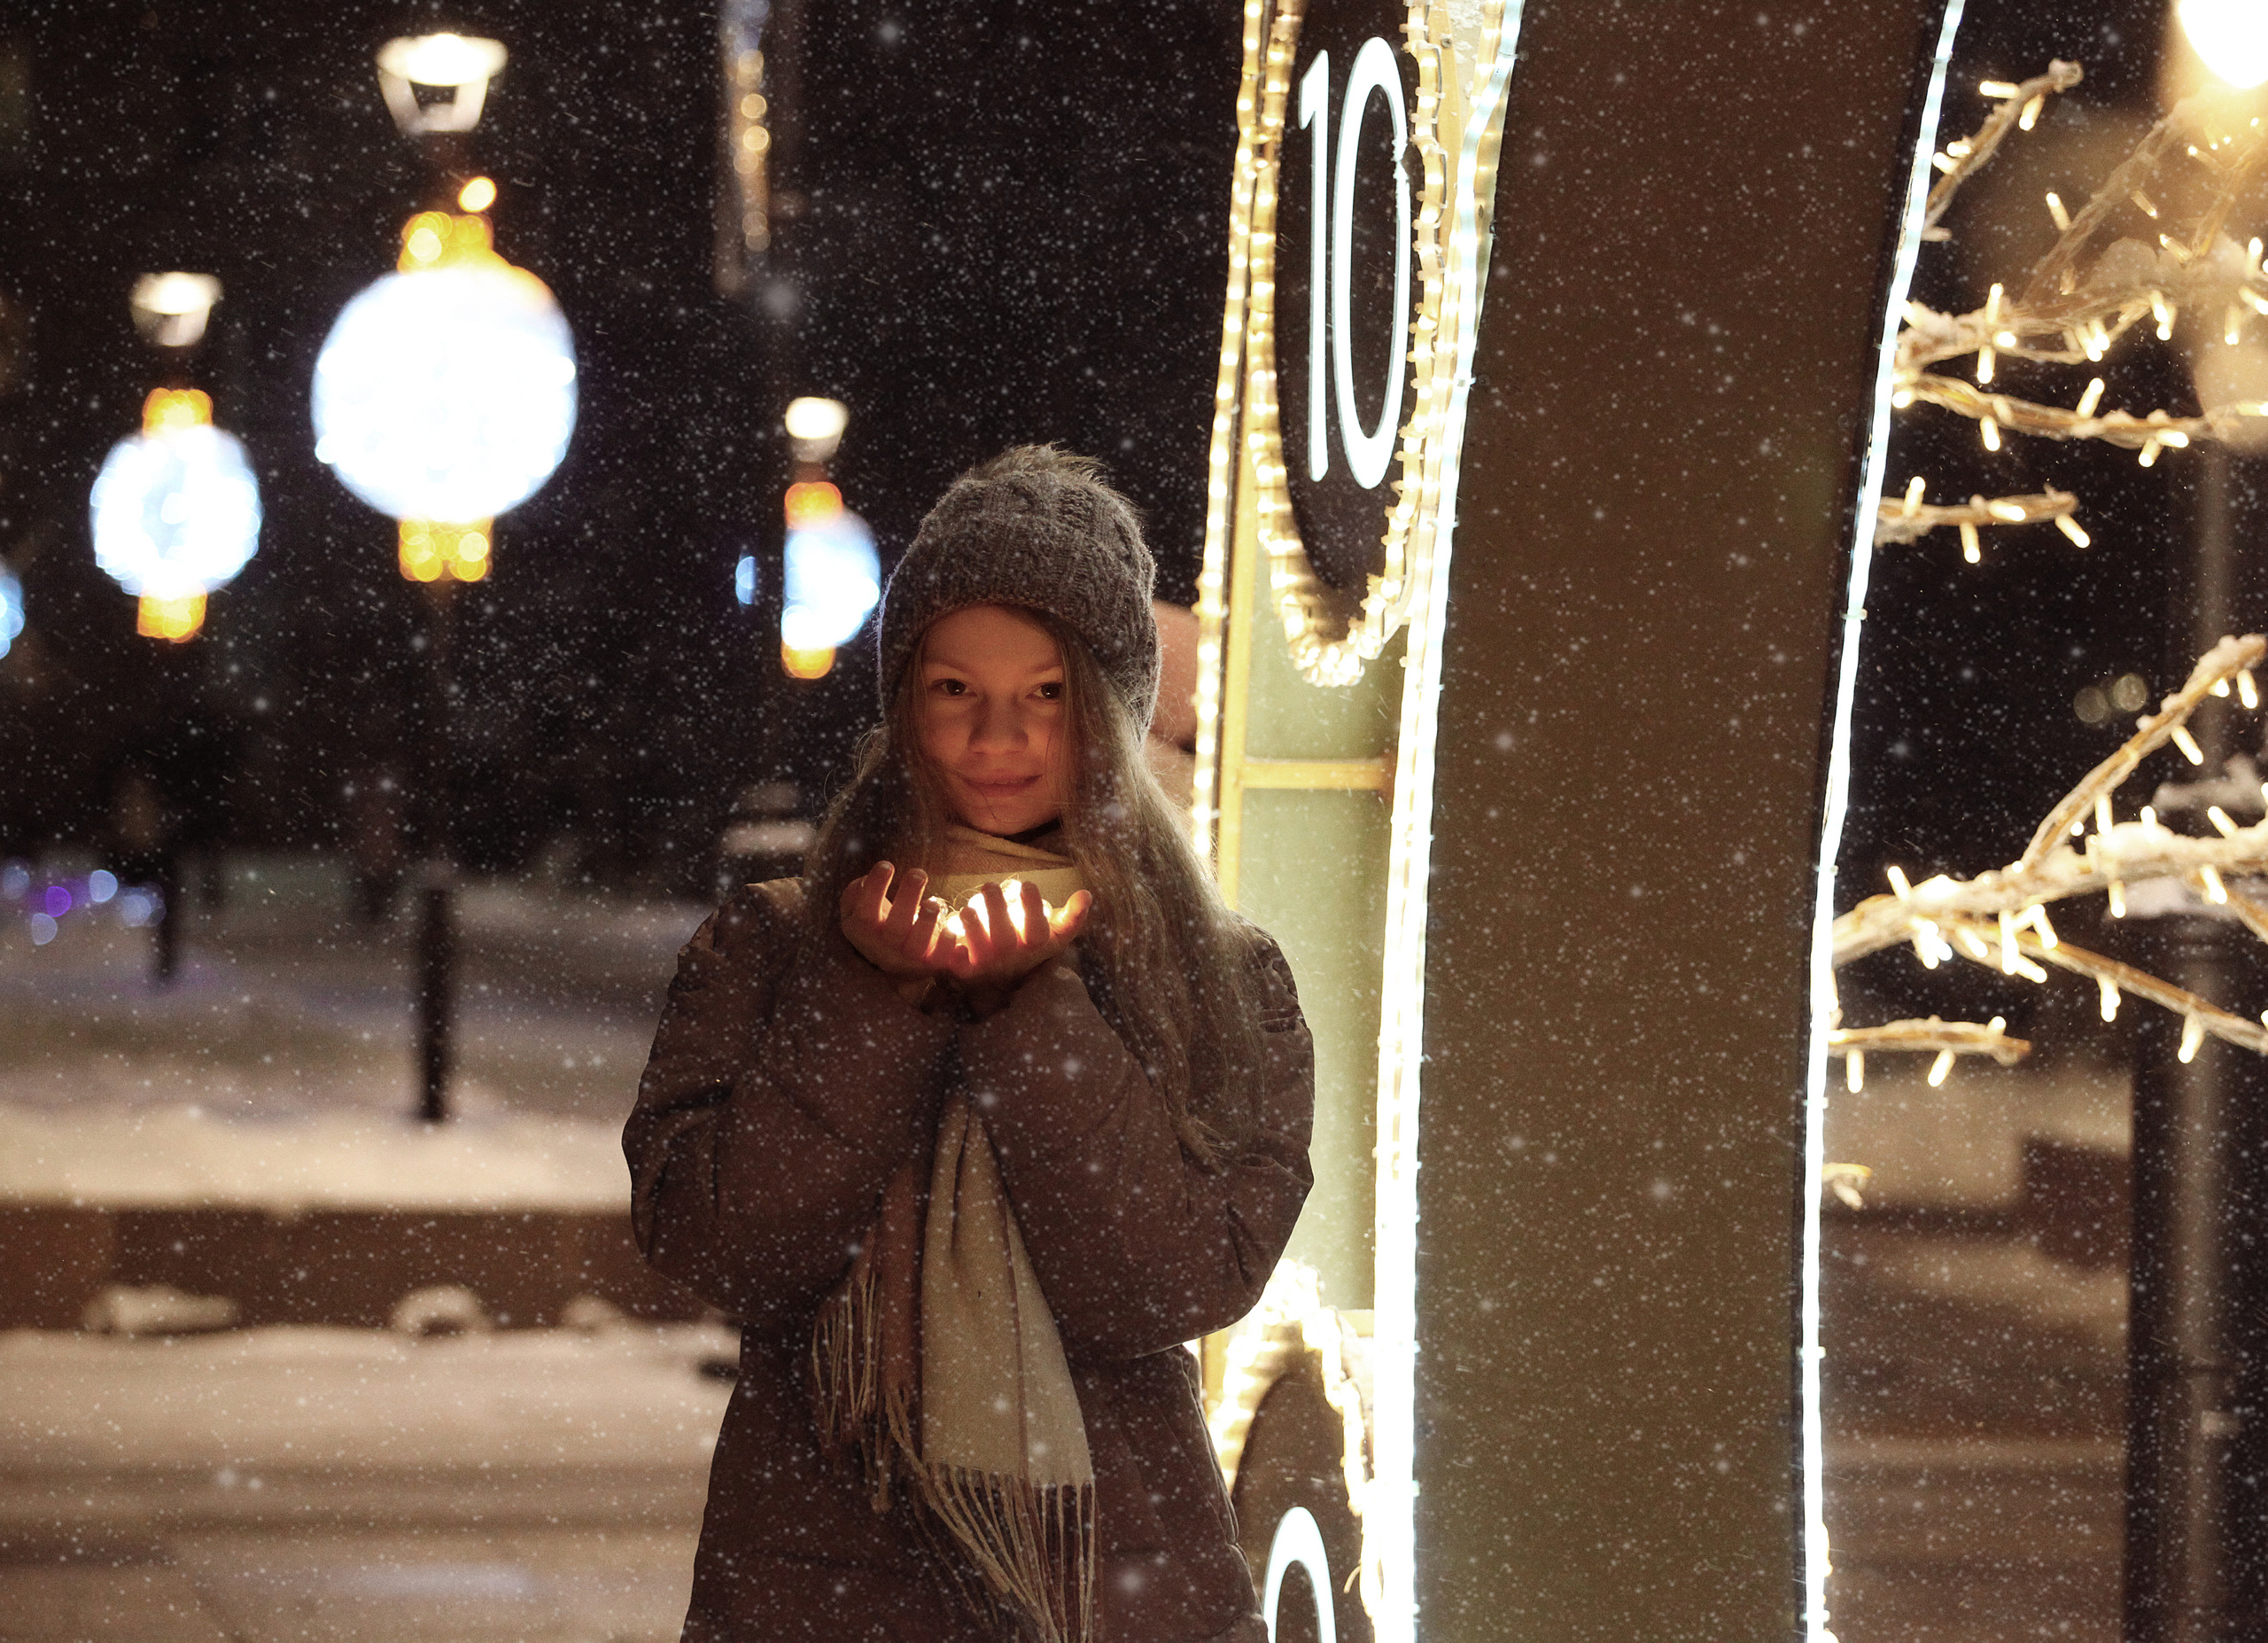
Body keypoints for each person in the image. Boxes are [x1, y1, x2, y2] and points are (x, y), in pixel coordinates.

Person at [625, 446, 1315, 1643]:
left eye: (1046, 692)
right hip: (819, 1590)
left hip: (1112, 1594)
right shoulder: (776, 947)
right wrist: (877, 1002)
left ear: (1107, 712)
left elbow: (1168, 1281)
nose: (999, 735)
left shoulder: (1216, 974)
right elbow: (724, 1244)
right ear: (905, 704)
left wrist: (1028, 1009)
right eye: (955, 688)